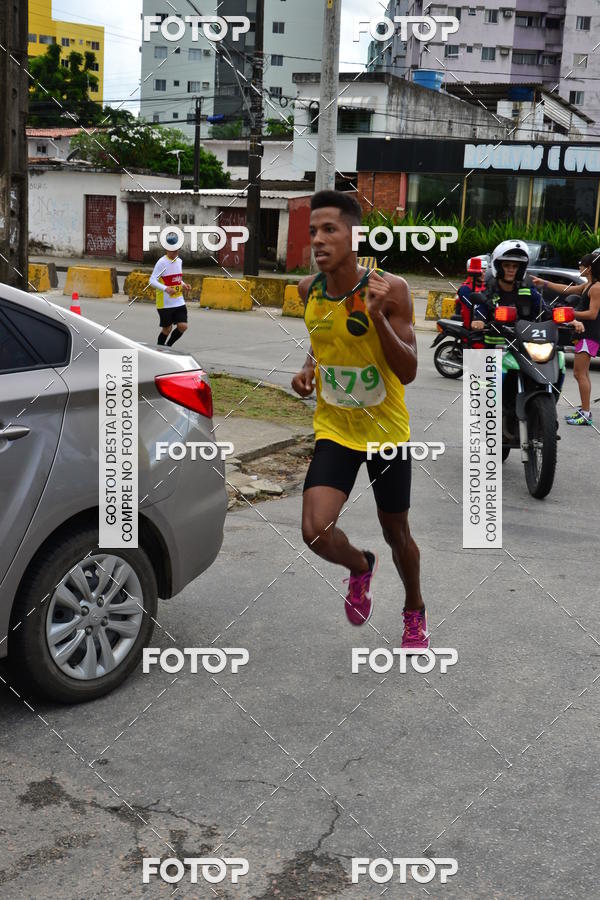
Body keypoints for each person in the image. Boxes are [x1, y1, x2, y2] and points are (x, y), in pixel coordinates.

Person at [291, 190, 428, 650]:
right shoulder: (308, 290)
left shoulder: (390, 290)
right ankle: (360, 567)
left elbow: (408, 370)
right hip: (336, 429)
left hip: (386, 433)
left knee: (397, 532)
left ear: (355, 235)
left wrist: (377, 319)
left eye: (330, 229)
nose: (319, 240)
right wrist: (309, 367)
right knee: (314, 531)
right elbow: (323, 336)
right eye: (314, 231)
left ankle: (414, 608)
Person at [533, 252, 600, 426]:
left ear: (589, 268)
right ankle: (585, 411)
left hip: (589, 334)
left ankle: (585, 414)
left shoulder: (596, 287)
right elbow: (567, 290)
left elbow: (593, 314)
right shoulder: (588, 285)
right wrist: (545, 283)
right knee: (582, 374)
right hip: (584, 333)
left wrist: (569, 314)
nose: (579, 267)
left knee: (579, 373)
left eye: (581, 264)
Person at [471, 240, 550, 341]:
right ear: (498, 267)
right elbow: (480, 310)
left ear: (520, 270)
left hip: (523, 347)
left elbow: (545, 309)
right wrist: (478, 320)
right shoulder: (488, 292)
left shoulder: (528, 291)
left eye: (515, 266)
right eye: (506, 265)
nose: (511, 269)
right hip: (494, 349)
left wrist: (569, 321)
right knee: (471, 356)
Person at [149, 234, 191, 347]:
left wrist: (184, 285)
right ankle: (159, 349)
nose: (175, 253)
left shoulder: (179, 261)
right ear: (167, 249)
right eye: (172, 251)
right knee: (167, 329)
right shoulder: (161, 262)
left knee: (183, 326)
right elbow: (152, 281)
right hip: (165, 303)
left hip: (178, 301)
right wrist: (166, 288)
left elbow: (177, 279)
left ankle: (168, 347)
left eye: (177, 250)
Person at [456, 256, 487, 328]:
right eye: (481, 271)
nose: (483, 274)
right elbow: (475, 308)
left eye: (485, 271)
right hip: (472, 327)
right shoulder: (465, 289)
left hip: (487, 326)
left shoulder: (488, 287)